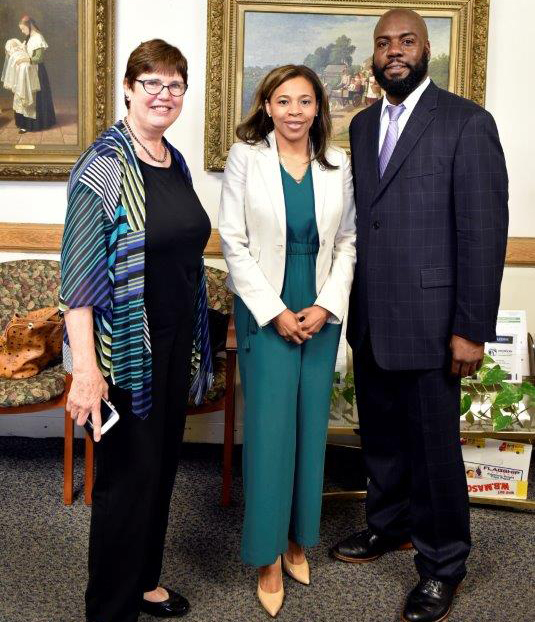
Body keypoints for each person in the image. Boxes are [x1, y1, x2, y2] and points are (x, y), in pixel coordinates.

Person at [331, 9, 508, 622]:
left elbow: (483, 233)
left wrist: (471, 329)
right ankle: (388, 525)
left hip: (436, 326)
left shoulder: (467, 123)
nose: (393, 51)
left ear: (427, 50)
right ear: (373, 57)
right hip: (373, 319)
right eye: (383, 43)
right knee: (380, 437)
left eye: (406, 41)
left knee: (434, 451)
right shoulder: (360, 125)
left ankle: (441, 564)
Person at [59, 39, 213, 622]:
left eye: (175, 84)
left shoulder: (171, 160)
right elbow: (78, 280)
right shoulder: (101, 168)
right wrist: (86, 374)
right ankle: (111, 609)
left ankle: (146, 582)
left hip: (175, 345)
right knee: (126, 483)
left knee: (161, 468)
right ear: (127, 88)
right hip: (125, 354)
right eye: (151, 82)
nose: (163, 94)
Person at [219, 65, 356, 617]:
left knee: (309, 430)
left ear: (318, 108)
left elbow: (347, 241)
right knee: (271, 433)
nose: (295, 110)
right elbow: (232, 241)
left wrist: (325, 306)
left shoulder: (338, 164)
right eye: (284, 101)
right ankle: (267, 555)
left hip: (321, 308)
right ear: (268, 107)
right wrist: (275, 312)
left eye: (305, 101)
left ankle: (299, 538)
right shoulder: (245, 158)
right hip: (265, 308)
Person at [10, 15, 56, 133]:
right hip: (26, 71)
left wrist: (23, 60)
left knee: (35, 97)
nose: (22, 31)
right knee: (24, 95)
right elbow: (25, 50)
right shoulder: (29, 37)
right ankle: (24, 123)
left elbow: (38, 58)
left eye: (23, 29)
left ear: (29, 26)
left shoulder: (38, 38)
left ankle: (34, 124)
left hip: (36, 71)